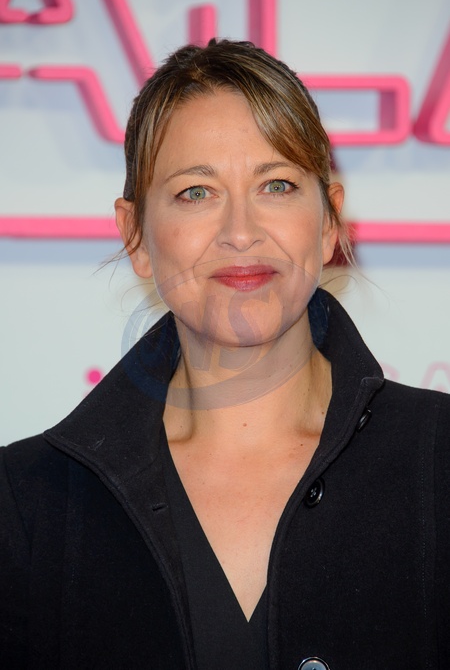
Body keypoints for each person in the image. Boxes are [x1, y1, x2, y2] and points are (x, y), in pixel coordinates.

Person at [1, 38, 449, 670]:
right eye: (196, 192)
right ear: (135, 235)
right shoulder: (28, 503)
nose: (241, 232)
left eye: (277, 185)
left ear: (329, 223)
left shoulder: (439, 457)